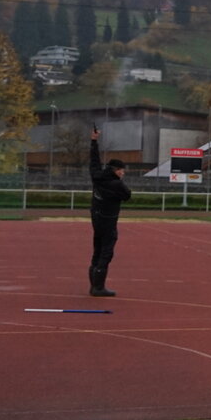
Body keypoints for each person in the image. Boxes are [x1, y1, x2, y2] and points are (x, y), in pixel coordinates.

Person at [87, 127, 132, 296]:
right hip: (109, 222)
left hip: (96, 220)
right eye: (121, 170)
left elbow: (94, 162)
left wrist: (94, 141)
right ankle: (98, 287)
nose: (123, 173)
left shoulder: (97, 176)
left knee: (97, 250)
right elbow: (127, 195)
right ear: (116, 170)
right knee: (106, 253)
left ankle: (93, 285)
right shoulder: (117, 184)